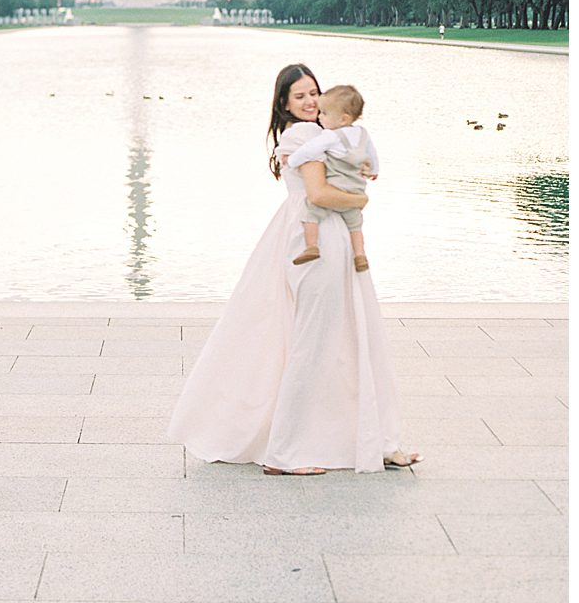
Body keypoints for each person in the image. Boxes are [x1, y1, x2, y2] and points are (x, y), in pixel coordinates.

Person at [167, 62, 421, 475]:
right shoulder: (303, 136)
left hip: (327, 238)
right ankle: (284, 453)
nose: (309, 101)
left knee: (347, 341)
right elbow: (320, 193)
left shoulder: (328, 135)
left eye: (313, 93)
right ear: (284, 102)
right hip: (317, 241)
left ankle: (372, 440)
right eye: (299, 95)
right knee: (314, 344)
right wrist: (360, 201)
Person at [287, 84, 378, 272]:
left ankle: (311, 246)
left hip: (335, 190)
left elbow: (308, 151)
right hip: (356, 189)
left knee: (312, 213)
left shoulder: (330, 136)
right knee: (355, 226)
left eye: (324, 113)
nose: (320, 116)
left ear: (343, 118)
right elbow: (372, 153)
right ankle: (360, 256)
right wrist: (375, 170)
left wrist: (292, 160)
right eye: (300, 96)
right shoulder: (362, 133)